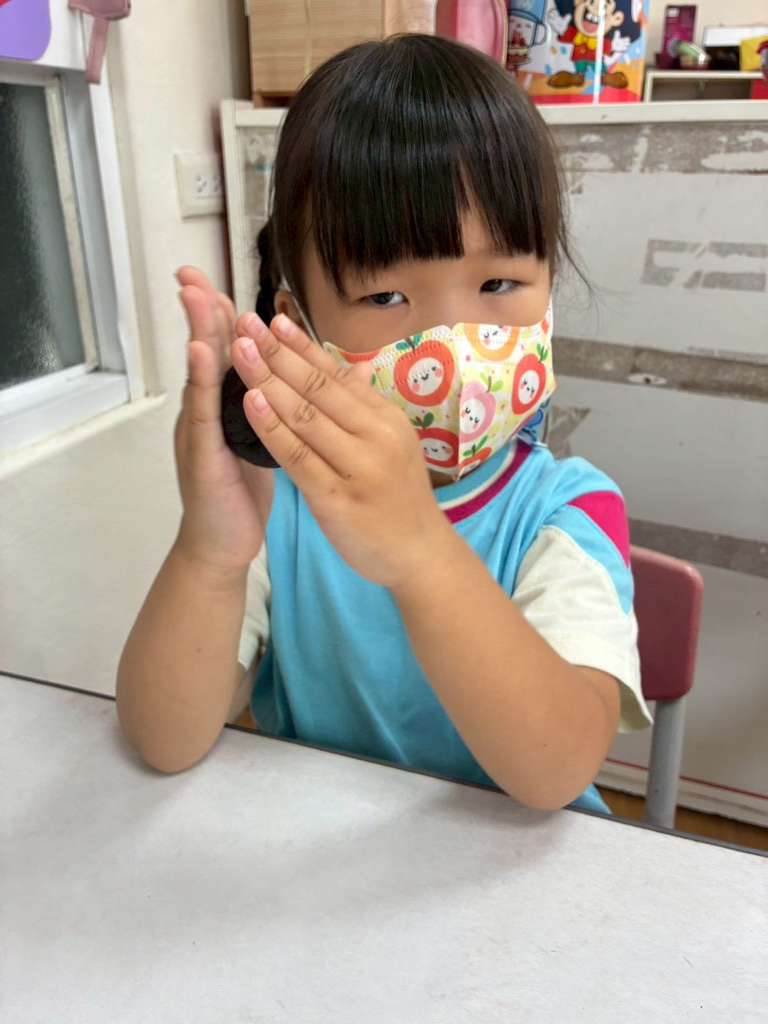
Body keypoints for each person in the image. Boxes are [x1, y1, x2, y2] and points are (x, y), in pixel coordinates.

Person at [116, 34, 651, 812]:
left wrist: (419, 549)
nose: (453, 340)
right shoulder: (279, 504)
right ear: (297, 326)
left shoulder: (567, 511)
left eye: (499, 283)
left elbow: (557, 771)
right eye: (386, 297)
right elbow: (164, 741)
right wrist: (210, 553)